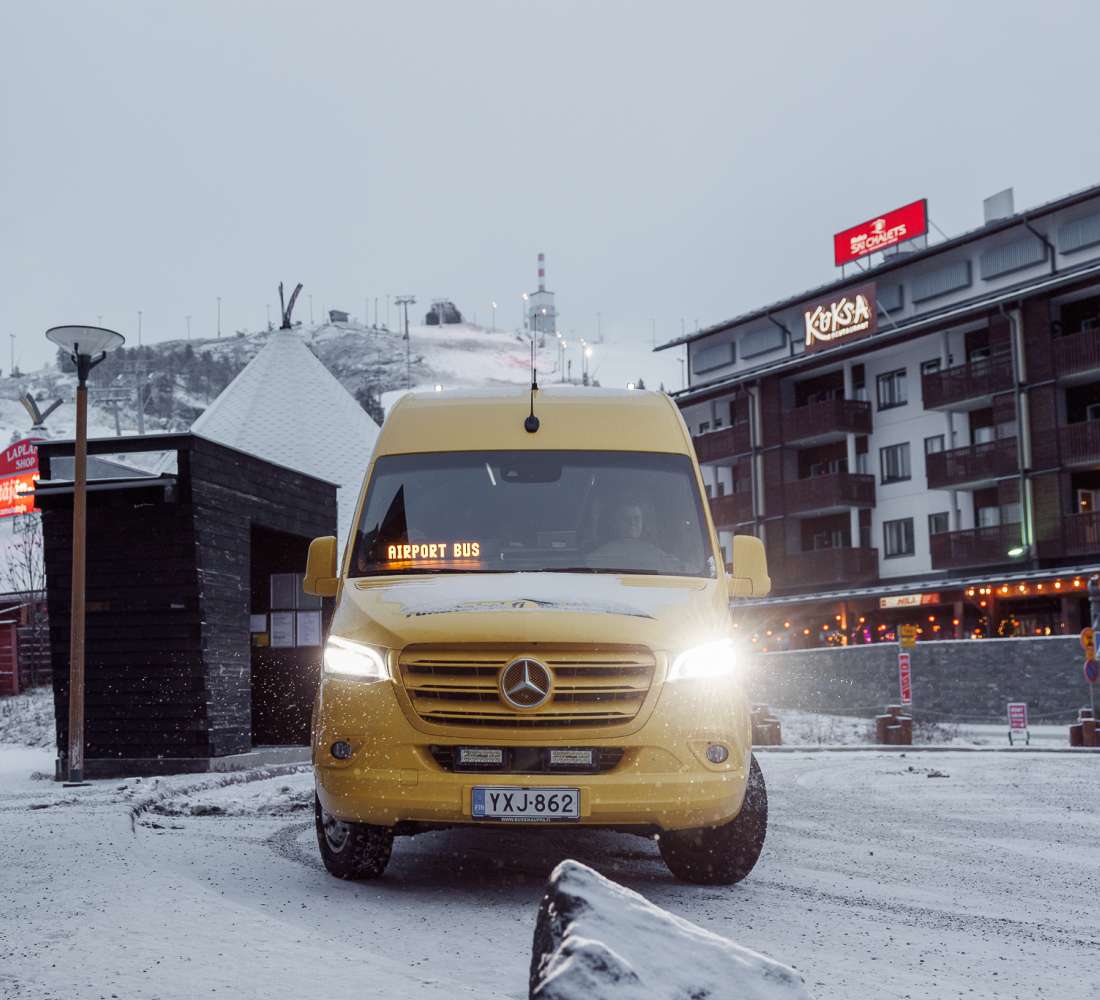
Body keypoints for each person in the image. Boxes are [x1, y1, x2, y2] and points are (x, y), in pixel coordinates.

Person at [587, 500, 679, 573]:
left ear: (643, 522)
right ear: (615, 523)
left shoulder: (659, 555)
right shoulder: (599, 556)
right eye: (625, 519)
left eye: (636, 518)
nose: (632, 523)